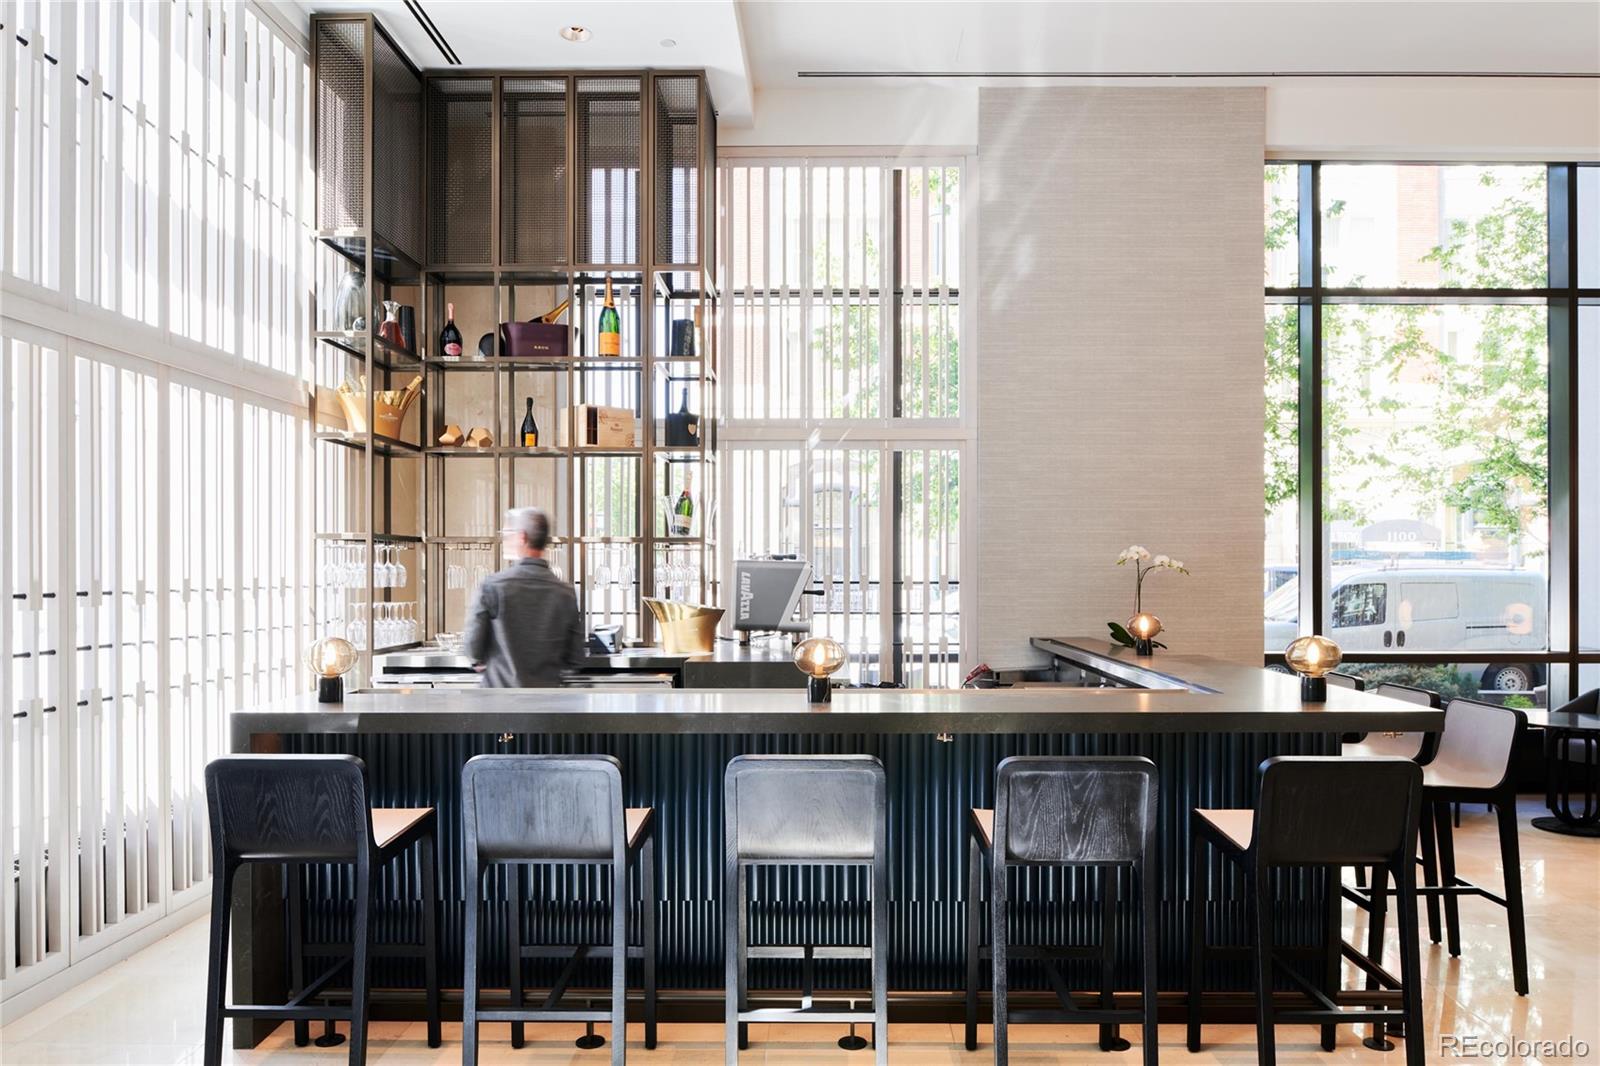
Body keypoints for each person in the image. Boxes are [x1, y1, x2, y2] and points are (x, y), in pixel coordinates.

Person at [462, 507, 584, 687]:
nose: (505, 539)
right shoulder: (565, 593)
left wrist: (480, 661)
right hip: (547, 704)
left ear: (522, 537)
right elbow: (575, 657)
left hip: (499, 701)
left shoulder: (493, 586)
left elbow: (473, 648)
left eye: (507, 533)